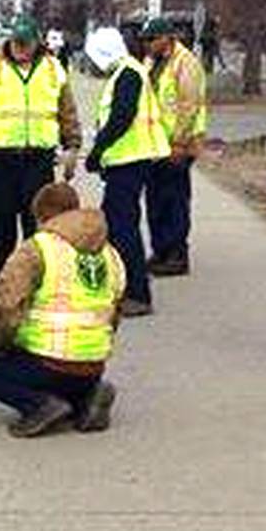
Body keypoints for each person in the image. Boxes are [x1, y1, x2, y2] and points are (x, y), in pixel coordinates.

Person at [0, 181, 125, 437]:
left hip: (48, 363)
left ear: (43, 216)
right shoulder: (110, 254)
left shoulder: (39, 248)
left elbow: (5, 306)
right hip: (92, 364)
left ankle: (40, 405)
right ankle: (87, 395)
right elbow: (114, 312)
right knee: (66, 374)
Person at [0, 15, 82, 276]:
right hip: (0, 160)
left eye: (26, 44)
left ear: (37, 42)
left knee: (38, 221)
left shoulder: (54, 68)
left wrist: (72, 147)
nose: (20, 49)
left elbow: (67, 111)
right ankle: (1, 270)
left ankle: (36, 272)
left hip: (38, 159)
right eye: (17, 43)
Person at [81, 24, 167, 317]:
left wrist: (97, 151)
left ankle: (137, 293)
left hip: (129, 162)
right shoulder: (127, 72)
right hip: (127, 161)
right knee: (118, 225)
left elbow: (120, 118)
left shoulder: (128, 75)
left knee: (122, 227)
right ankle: (127, 288)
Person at [140, 16, 208, 277]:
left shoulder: (186, 63)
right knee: (155, 200)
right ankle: (160, 251)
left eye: (152, 40)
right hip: (154, 144)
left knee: (174, 200)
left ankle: (177, 254)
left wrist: (179, 142)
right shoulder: (152, 62)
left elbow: (188, 106)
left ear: (167, 38)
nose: (147, 45)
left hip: (177, 146)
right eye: (146, 40)